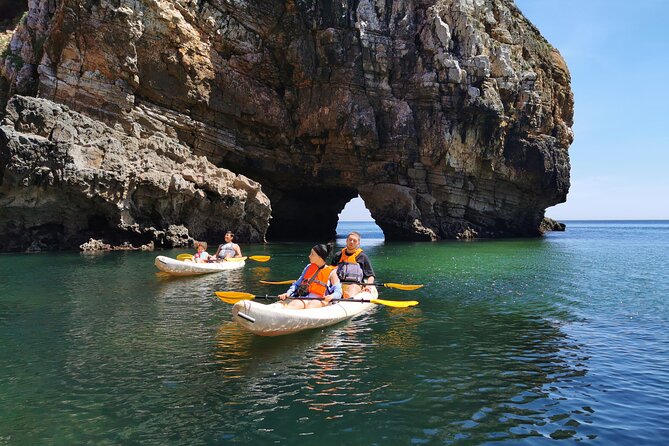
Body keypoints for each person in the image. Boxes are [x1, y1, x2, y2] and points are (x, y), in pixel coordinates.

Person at [278, 243, 342, 309]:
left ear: (320, 257)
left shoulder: (332, 273)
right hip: (305, 297)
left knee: (312, 305)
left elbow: (339, 292)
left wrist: (332, 296)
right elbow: (297, 284)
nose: (309, 256)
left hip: (320, 300)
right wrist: (288, 293)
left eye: (312, 254)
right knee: (295, 303)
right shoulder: (308, 267)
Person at [331, 231, 376, 298]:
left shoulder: (362, 257)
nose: (351, 242)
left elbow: (370, 276)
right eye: (350, 240)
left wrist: (368, 286)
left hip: (355, 284)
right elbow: (331, 272)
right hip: (338, 285)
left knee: (353, 287)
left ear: (358, 243)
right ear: (346, 241)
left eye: (354, 241)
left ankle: (348, 299)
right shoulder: (338, 255)